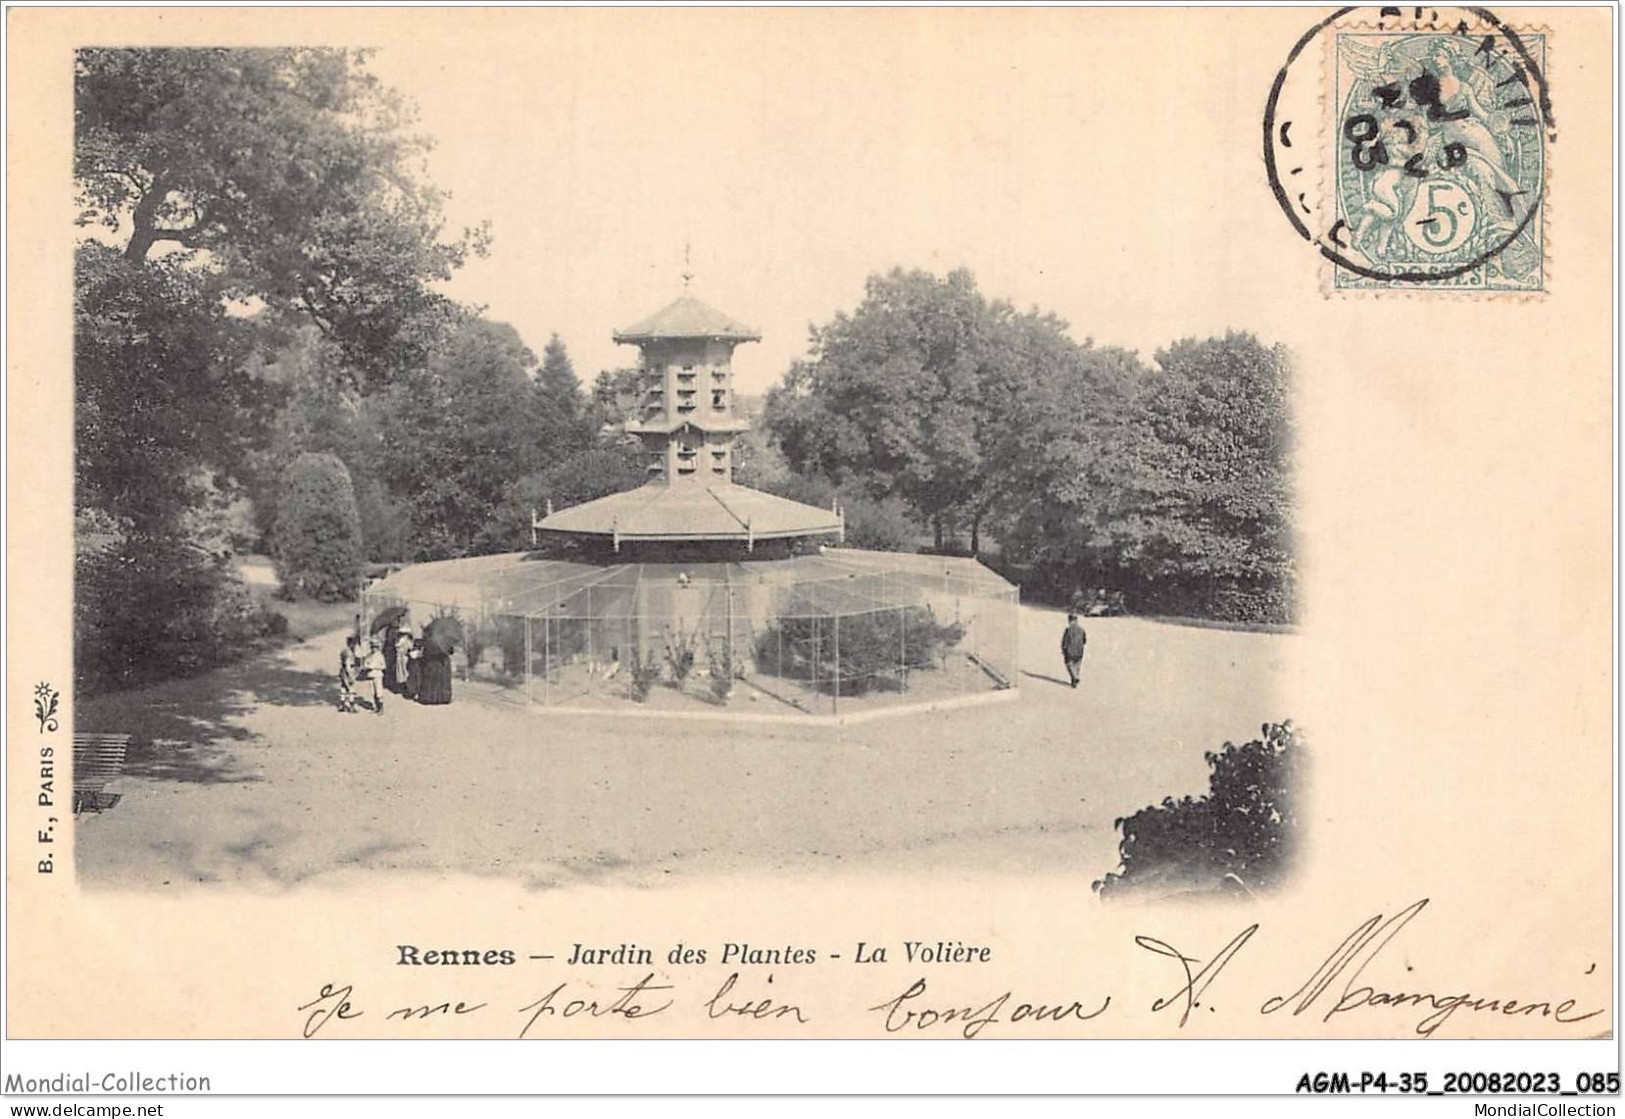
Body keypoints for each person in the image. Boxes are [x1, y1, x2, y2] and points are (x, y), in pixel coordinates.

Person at [416, 635, 454, 706]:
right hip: (439, 662)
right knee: (440, 680)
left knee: (432, 680)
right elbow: (450, 650)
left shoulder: (430, 636)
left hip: (433, 661)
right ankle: (442, 698)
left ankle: (429, 698)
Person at [1061, 612, 1088, 689]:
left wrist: (1063, 648)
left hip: (1070, 651)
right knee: (1077, 665)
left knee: (1069, 664)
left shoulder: (1068, 629)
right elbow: (1084, 640)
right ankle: (1074, 680)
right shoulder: (1082, 629)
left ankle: (1075, 678)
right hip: (1079, 651)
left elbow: (1064, 640)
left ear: (1069, 619)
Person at [360, 638, 388, 714]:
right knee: (373, 692)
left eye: (375, 647)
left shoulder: (380, 655)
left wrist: (375, 667)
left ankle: (381, 708)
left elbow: (384, 666)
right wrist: (366, 666)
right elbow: (365, 663)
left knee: (379, 691)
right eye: (372, 647)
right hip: (370, 675)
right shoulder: (369, 655)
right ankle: (376, 707)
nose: (373, 649)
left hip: (378, 675)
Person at [337, 634, 361, 713]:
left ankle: (342, 704)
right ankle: (351, 706)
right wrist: (351, 675)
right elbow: (348, 665)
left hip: (343, 671)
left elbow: (340, 662)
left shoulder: (343, 651)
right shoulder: (350, 653)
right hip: (348, 671)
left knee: (343, 688)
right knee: (351, 688)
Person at [380, 622, 401, 693]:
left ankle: (387, 683)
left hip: (388, 651)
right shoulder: (392, 632)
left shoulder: (388, 631)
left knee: (389, 668)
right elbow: (393, 641)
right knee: (391, 668)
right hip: (391, 651)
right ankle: (390, 684)